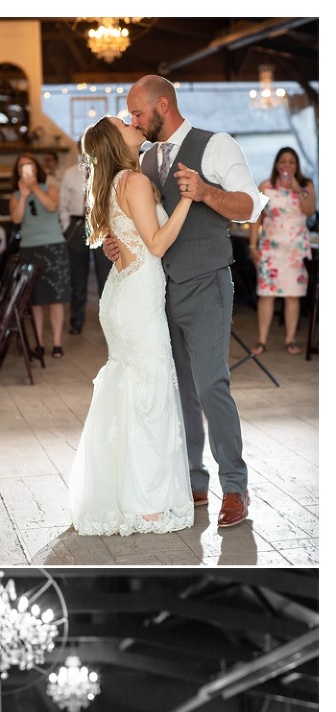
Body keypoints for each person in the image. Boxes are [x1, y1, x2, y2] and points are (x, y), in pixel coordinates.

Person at [109, 75, 268, 529]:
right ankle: (193, 480)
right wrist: (117, 246)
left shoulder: (216, 145)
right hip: (156, 291)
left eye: (138, 114)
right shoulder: (141, 157)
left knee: (210, 383)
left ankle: (234, 487)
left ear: (163, 105)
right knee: (176, 388)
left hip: (205, 283)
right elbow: (139, 223)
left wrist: (206, 192)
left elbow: (249, 205)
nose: (134, 122)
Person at [68, 115, 195, 537]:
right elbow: (156, 244)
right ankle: (146, 505)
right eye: (124, 122)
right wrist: (189, 201)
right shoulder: (135, 182)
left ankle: (126, 495)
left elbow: (123, 243)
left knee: (130, 389)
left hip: (121, 294)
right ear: (114, 140)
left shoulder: (112, 183)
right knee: (149, 393)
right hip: (137, 297)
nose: (132, 122)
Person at [249, 147, 316, 356]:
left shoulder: (306, 185)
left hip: (294, 251)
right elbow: (256, 217)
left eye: (291, 162)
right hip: (270, 248)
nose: (287, 165)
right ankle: (261, 340)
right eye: (283, 161)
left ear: (296, 166)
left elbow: (309, 211)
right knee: (266, 295)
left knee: (292, 296)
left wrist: (297, 188)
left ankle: (290, 340)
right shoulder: (266, 186)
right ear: (277, 164)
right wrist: (253, 246)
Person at [9, 152, 71, 358]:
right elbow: (17, 219)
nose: (25, 169)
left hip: (54, 246)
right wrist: (25, 195)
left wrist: (34, 187)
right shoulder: (16, 195)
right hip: (30, 248)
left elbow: (52, 206)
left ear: (36, 169)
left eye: (29, 165)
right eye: (21, 166)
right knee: (35, 299)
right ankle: (39, 343)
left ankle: (56, 343)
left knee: (56, 297)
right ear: (17, 172)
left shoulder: (49, 187)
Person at [58, 140, 113, 334]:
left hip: (100, 225)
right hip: (77, 225)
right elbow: (62, 205)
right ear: (78, 150)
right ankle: (76, 321)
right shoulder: (70, 174)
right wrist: (67, 228)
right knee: (77, 278)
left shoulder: (106, 172)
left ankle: (109, 324)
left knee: (105, 277)